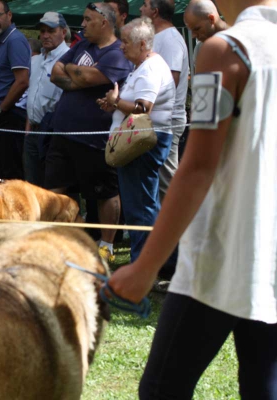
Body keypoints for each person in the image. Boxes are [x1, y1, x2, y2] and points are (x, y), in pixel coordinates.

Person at [109, 1, 277, 398]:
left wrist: (145, 267)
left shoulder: (224, 50)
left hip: (222, 251)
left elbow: (199, 166)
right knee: (262, 385)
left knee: (162, 388)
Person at [48, 2, 131, 262]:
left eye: (87, 19)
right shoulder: (82, 46)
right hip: (62, 134)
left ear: (104, 22)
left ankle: (106, 246)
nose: (81, 25)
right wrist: (79, 76)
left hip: (94, 139)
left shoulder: (118, 52)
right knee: (56, 191)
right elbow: (55, 73)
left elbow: (84, 78)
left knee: (104, 193)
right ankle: (70, 242)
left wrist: (74, 74)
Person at [96, 17, 175, 262]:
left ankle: (144, 264)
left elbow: (143, 109)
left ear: (142, 44)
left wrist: (116, 101)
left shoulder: (150, 68)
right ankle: (152, 261)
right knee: (142, 205)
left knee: (140, 207)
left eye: (126, 42)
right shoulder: (143, 65)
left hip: (144, 143)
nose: (121, 46)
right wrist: (115, 105)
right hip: (138, 142)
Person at [140, 0, 189, 203]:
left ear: (155, 12)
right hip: (155, 119)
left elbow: (171, 81)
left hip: (166, 121)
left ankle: (178, 232)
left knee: (167, 182)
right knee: (157, 182)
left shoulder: (170, 39)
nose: (140, 9)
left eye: (144, 5)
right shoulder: (158, 37)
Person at [0, 0, 31, 180]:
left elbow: (22, 81)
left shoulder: (15, 39)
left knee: (9, 175)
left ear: (9, 15)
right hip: (0, 114)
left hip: (9, 115)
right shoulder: (0, 40)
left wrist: (1, 109)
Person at [24, 11, 70, 187]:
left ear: (63, 32)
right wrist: (28, 128)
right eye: (42, 31)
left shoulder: (69, 57)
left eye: (50, 31)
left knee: (54, 188)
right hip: (33, 132)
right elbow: (32, 95)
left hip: (54, 133)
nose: (45, 35)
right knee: (33, 187)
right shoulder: (35, 60)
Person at [184, 0, 229, 70]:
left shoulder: (238, 39)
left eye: (197, 29)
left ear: (211, 19)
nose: (193, 35)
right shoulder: (199, 49)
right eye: (191, 30)